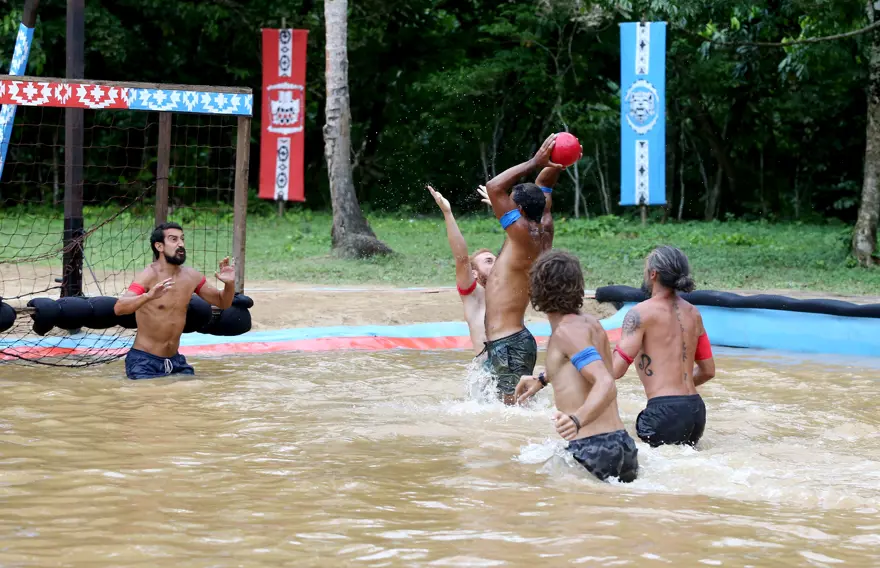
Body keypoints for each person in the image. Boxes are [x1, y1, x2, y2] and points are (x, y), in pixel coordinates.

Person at [514, 250, 638, 483]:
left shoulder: (566, 332)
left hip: (592, 448)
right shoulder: (590, 323)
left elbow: (605, 381)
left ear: (536, 289)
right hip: (621, 445)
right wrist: (542, 380)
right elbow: (580, 366)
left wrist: (576, 420)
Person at [482, 133, 575, 404]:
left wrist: (535, 161)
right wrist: (560, 160)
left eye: (511, 203)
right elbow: (544, 183)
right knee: (497, 411)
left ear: (520, 210)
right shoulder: (544, 223)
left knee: (511, 416)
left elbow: (493, 186)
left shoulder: (521, 232)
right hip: (508, 344)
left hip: (509, 345)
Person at [610, 245, 716, 447]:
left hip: (663, 412)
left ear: (653, 274)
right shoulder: (694, 314)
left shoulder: (640, 313)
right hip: (696, 411)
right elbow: (708, 371)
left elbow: (615, 370)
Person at [114, 222, 236, 380]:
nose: (181, 244)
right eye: (174, 239)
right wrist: (148, 296)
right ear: (159, 246)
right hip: (144, 361)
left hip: (175, 361)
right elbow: (119, 307)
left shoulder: (191, 276)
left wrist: (229, 284)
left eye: (182, 239)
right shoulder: (148, 275)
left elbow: (223, 302)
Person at [426, 184, 496, 355]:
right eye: (488, 261)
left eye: (496, 260)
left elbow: (519, 243)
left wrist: (501, 209)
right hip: (487, 367)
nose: (496, 264)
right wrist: (447, 213)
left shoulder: (510, 293)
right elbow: (461, 258)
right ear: (474, 273)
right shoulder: (474, 297)